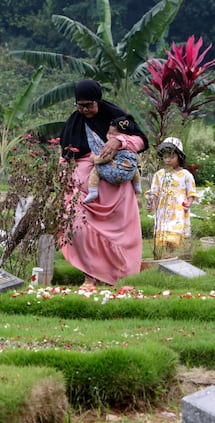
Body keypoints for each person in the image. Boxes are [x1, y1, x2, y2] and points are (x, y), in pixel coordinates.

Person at [59, 79, 148, 286]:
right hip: (83, 193)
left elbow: (141, 140)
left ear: (97, 101)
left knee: (120, 237)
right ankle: (90, 276)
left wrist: (120, 141)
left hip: (115, 192)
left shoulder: (117, 119)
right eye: (80, 105)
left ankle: (116, 278)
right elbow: (65, 155)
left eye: (89, 105)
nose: (85, 109)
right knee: (78, 230)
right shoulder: (74, 123)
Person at [145, 137, 198, 259]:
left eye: (171, 157)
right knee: (165, 230)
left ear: (179, 157)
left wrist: (189, 203)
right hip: (163, 209)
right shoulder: (160, 174)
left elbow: (191, 192)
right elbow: (154, 191)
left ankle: (171, 254)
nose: (167, 160)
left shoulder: (186, 175)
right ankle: (166, 254)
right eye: (165, 157)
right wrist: (151, 203)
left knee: (174, 231)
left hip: (178, 209)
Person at [83, 115, 144, 204]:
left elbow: (104, 158)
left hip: (114, 175)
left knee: (95, 170)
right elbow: (138, 159)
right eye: (109, 133)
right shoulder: (130, 147)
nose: (109, 136)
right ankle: (137, 186)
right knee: (134, 168)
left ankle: (93, 191)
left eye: (113, 134)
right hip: (129, 175)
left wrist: (94, 159)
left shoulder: (113, 148)